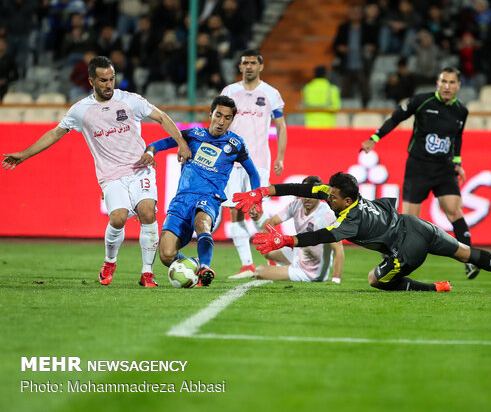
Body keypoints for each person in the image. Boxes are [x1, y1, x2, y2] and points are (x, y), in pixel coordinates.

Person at [2, 55, 191, 287]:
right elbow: (54, 133)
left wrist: (181, 142)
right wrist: (24, 154)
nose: (109, 84)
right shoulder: (80, 111)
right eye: (103, 80)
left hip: (141, 169)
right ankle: (110, 261)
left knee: (148, 213)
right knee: (118, 218)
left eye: (111, 79)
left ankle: (147, 273)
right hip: (111, 175)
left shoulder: (130, 100)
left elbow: (161, 117)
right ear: (92, 81)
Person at [233, 172, 491, 294]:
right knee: (466, 253)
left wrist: (287, 239)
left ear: (348, 200)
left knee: (374, 280)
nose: (329, 197)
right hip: (417, 225)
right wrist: (265, 191)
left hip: (407, 249)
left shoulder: (349, 219)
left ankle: (433, 289)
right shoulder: (339, 195)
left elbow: (323, 236)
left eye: (333, 197)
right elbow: (300, 188)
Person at [360, 67, 480, 280]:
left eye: (452, 82)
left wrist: (458, 162)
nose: (447, 86)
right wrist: (374, 138)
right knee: (408, 220)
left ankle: (470, 260)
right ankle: (390, 254)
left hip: (444, 168)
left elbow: (457, 137)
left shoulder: (461, 110)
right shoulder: (422, 101)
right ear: (437, 82)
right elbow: (396, 117)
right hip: (419, 167)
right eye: (444, 81)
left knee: (454, 211)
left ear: (458, 86)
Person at [141, 95, 261, 287]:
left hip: (209, 198)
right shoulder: (193, 135)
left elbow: (253, 173)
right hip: (181, 201)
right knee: (166, 255)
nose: (221, 122)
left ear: (232, 120)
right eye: (218, 115)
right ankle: (193, 266)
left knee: (202, 223)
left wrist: (255, 199)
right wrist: (150, 152)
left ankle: (205, 267)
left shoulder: (236, 144)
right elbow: (159, 144)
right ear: (210, 114)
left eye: (227, 118)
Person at [220, 49, 287, 278]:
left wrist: (280, 156)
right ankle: (247, 265)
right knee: (235, 212)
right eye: (245, 62)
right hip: (231, 162)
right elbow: (220, 123)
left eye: (252, 63)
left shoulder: (271, 93)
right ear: (240, 67)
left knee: (256, 210)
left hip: (258, 163)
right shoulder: (230, 91)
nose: (248, 66)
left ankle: (275, 255)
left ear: (261, 66)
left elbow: (280, 127)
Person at [245, 176, 344, 283]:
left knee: (260, 272)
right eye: (306, 194)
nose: (308, 198)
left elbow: (338, 249)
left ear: (319, 196)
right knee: (267, 250)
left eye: (312, 195)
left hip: (311, 270)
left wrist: (336, 279)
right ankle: (283, 270)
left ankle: (285, 271)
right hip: (300, 253)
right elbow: (270, 222)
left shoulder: (326, 217)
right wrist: (262, 226)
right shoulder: (296, 205)